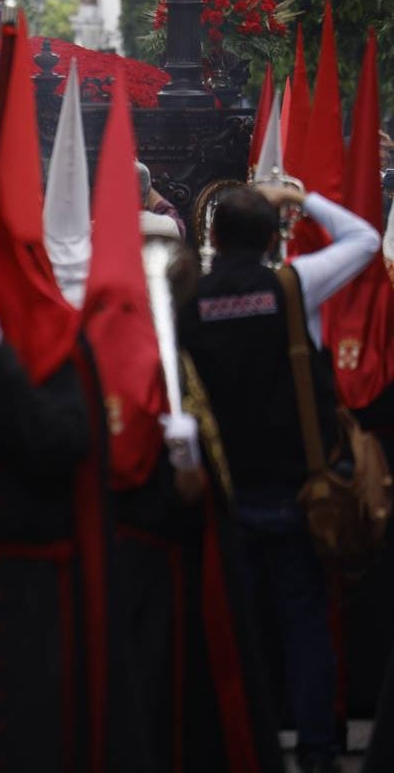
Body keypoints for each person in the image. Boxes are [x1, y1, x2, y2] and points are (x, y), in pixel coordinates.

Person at [179, 182, 380, 773]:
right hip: (300, 489)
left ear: (213, 237)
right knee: (306, 626)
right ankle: (317, 751)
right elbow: (365, 239)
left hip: (228, 493)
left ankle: (252, 746)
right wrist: (302, 196)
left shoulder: (190, 302)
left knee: (241, 633)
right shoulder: (293, 285)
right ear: (274, 238)